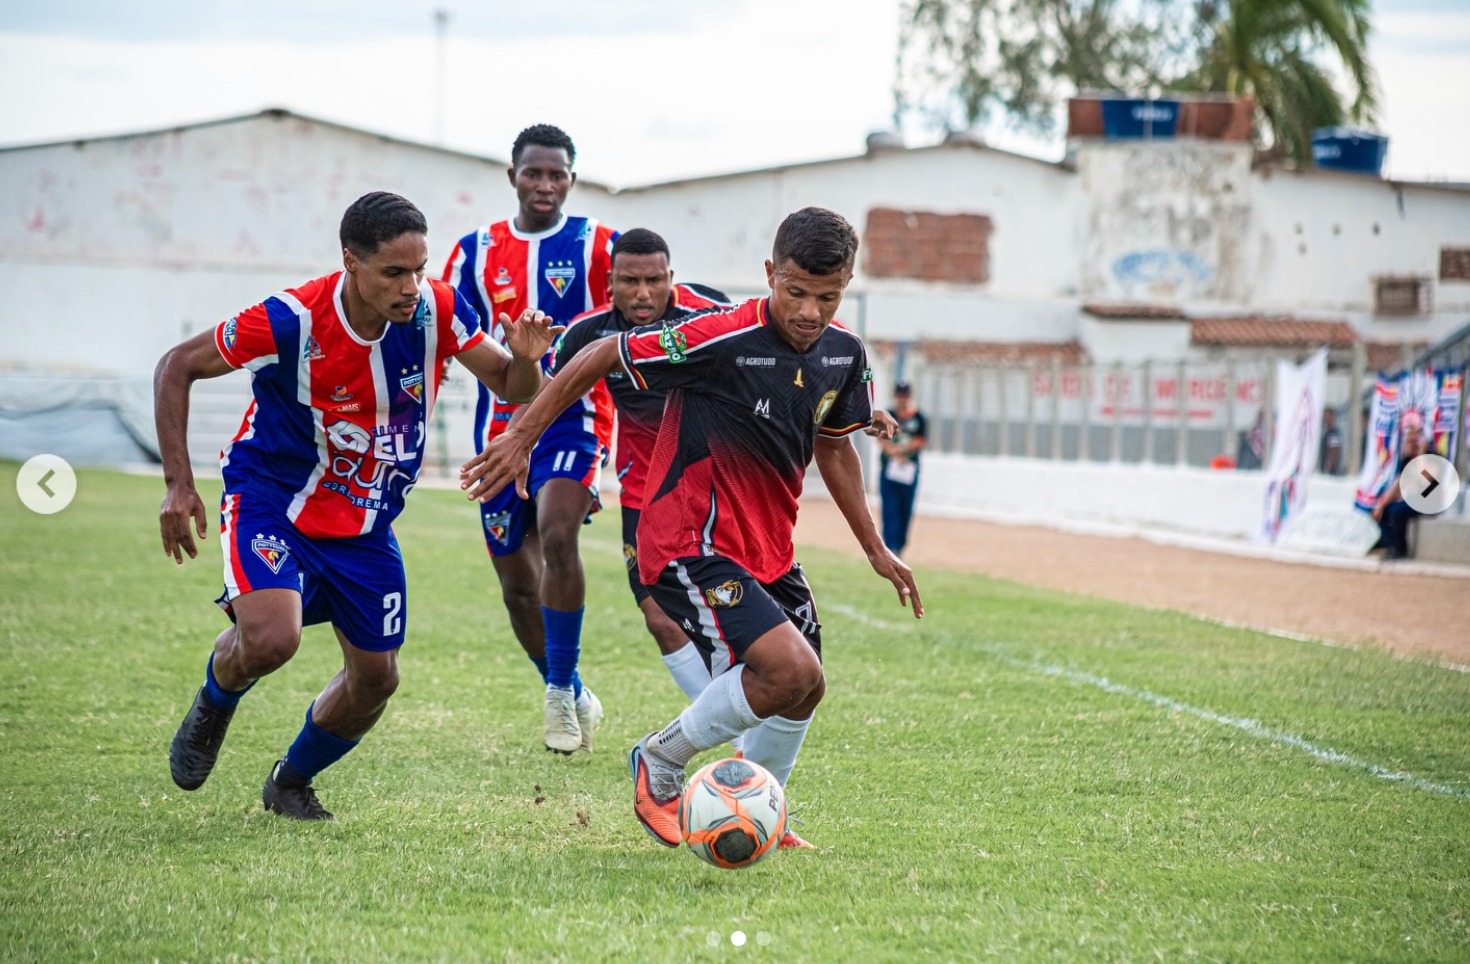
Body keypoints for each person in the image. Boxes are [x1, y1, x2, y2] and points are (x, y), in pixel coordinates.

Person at [460, 207, 924, 851]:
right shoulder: (719, 336)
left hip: (768, 549)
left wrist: (876, 548)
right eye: (795, 292)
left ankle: (766, 809)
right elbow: (599, 354)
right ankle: (661, 759)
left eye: (828, 295)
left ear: (847, 283)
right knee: (786, 670)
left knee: (805, 685)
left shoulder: (844, 352)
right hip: (688, 540)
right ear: (769, 275)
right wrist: (520, 435)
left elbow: (835, 447)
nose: (811, 311)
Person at [156, 192, 557, 820]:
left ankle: (290, 780)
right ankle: (215, 699)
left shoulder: (437, 310)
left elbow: (510, 384)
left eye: (419, 269)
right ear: (351, 262)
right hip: (273, 502)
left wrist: (528, 360)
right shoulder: (290, 319)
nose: (412, 286)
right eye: (394, 272)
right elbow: (178, 364)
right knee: (269, 640)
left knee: (377, 680)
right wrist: (179, 484)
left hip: (366, 521)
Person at [441, 124, 618, 754]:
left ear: (573, 177)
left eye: (557, 174)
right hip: (500, 425)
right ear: (512, 175)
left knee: (560, 532)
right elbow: (449, 334)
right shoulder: (474, 252)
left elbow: (650, 300)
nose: (545, 185)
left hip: (577, 416)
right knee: (518, 583)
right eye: (533, 173)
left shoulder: (602, 246)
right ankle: (570, 689)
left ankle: (555, 698)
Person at [548, 228, 732, 702]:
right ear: (610, 281)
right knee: (657, 616)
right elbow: (541, 393)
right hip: (644, 491)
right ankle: (728, 733)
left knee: (732, 612)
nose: (643, 293)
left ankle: (742, 722)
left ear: (671, 276)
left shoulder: (711, 313)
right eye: (630, 280)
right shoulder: (588, 333)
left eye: (654, 280)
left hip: (715, 486)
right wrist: (515, 443)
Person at [877, 381, 927, 556]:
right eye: (900, 396)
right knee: (889, 508)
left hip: (908, 471)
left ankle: (901, 544)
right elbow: (880, 436)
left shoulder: (918, 417)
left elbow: (921, 440)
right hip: (889, 470)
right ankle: (890, 547)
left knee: (905, 509)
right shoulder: (889, 415)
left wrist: (903, 451)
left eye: (905, 396)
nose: (902, 400)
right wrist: (891, 452)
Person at [1372, 411, 1429, 560]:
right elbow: (1399, 483)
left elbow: (1428, 484)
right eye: (1408, 436)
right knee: (1384, 510)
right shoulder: (1407, 459)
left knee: (1398, 512)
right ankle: (1390, 547)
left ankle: (1401, 550)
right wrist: (1381, 504)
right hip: (1412, 499)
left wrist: (1421, 453)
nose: (1410, 440)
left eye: (1414, 435)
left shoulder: (1430, 456)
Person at [1318, 407, 1344, 475]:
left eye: (1326, 416)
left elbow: (1334, 451)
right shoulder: (1326, 432)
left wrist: (1329, 469)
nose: (1324, 419)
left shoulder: (1334, 433)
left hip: (1331, 473)